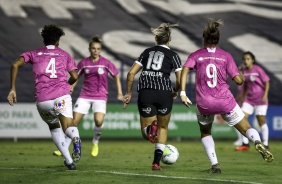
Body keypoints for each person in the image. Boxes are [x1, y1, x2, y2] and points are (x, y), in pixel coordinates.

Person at [180, 19, 273, 174]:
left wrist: (182, 92)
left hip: (204, 103)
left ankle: (215, 165)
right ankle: (257, 141)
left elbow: (184, 70)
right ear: (218, 40)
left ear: (204, 38)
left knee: (205, 132)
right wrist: (242, 77)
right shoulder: (226, 56)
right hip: (225, 102)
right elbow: (237, 80)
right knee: (246, 127)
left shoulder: (196, 55)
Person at [7, 24, 81, 170]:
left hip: (44, 100)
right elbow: (75, 75)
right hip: (61, 96)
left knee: (54, 127)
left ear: (44, 40)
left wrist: (12, 89)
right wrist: (66, 85)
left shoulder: (34, 53)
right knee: (68, 125)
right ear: (58, 42)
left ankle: (69, 162)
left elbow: (15, 65)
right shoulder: (64, 54)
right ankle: (75, 138)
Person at [122, 23, 182, 171]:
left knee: (146, 134)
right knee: (163, 128)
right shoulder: (174, 56)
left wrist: (128, 93)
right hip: (164, 93)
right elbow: (180, 80)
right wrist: (175, 91)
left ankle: (150, 130)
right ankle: (156, 163)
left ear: (156, 38)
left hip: (146, 92)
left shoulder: (146, 52)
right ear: (169, 40)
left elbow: (130, 73)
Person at [53, 36, 123, 157]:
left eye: (98, 49)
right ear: (90, 49)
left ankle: (95, 142)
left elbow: (116, 75)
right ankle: (64, 147)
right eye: (93, 48)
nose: (96, 50)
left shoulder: (106, 63)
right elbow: (75, 76)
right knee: (73, 122)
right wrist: (72, 87)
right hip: (85, 95)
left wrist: (120, 93)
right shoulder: (84, 63)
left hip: (100, 96)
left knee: (99, 121)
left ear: (100, 50)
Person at [235, 51, 270, 151]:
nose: (246, 61)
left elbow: (267, 82)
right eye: (244, 59)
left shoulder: (258, 69)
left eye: (248, 59)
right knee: (241, 118)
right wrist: (240, 98)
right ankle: (245, 144)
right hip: (249, 100)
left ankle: (266, 144)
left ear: (252, 60)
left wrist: (265, 94)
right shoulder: (244, 72)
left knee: (261, 121)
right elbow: (245, 87)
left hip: (260, 99)